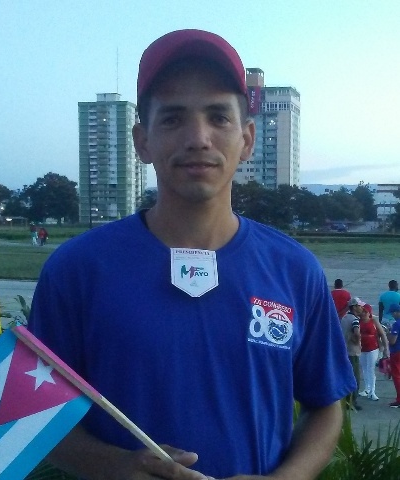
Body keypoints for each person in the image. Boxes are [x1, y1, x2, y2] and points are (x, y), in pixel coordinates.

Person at [28, 29, 356, 479]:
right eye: (173, 118)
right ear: (142, 141)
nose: (198, 137)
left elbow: (325, 406)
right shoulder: (77, 271)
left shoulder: (294, 270)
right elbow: (35, 413)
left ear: (247, 139)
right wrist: (116, 466)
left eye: (219, 117)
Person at [358, 303, 389, 401]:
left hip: (373, 348)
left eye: (365, 312)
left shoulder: (374, 320)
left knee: (370, 368)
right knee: (364, 369)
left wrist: (386, 348)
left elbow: (382, 334)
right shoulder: (357, 321)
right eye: (362, 312)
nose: (363, 314)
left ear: (369, 312)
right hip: (361, 348)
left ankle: (372, 391)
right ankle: (367, 389)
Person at [340, 297, 365, 411]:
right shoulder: (354, 319)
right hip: (353, 351)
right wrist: (357, 342)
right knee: (355, 377)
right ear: (354, 307)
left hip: (344, 350)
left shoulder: (345, 317)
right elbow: (357, 333)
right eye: (359, 306)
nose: (361, 308)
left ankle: (345, 400)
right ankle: (352, 401)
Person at [386, 304, 400, 408]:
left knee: (397, 376)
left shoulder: (396, 324)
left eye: (393, 312)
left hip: (397, 352)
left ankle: (399, 399)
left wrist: (388, 334)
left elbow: (393, 341)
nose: (392, 315)